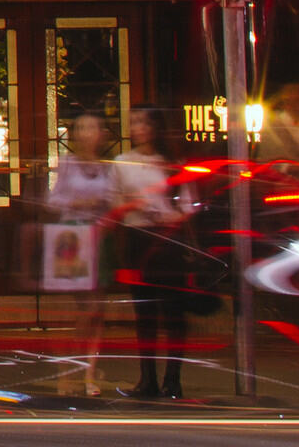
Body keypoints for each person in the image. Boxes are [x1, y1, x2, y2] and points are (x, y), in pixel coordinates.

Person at [116, 105, 193, 400]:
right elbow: (116, 204)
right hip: (139, 239)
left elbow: (186, 205)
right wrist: (132, 207)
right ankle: (147, 379)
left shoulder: (171, 162)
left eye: (143, 122)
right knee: (144, 312)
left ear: (156, 127)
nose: (137, 127)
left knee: (174, 314)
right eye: (133, 122)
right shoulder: (122, 162)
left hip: (168, 242)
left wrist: (169, 217)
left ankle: (173, 380)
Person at [47, 110, 118, 397]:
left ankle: (89, 372)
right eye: (82, 128)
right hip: (73, 239)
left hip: (100, 237)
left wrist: (104, 206)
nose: (87, 133)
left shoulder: (108, 168)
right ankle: (71, 371)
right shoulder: (68, 165)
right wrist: (78, 201)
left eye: (93, 128)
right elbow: (53, 200)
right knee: (81, 309)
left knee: (97, 310)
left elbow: (115, 201)